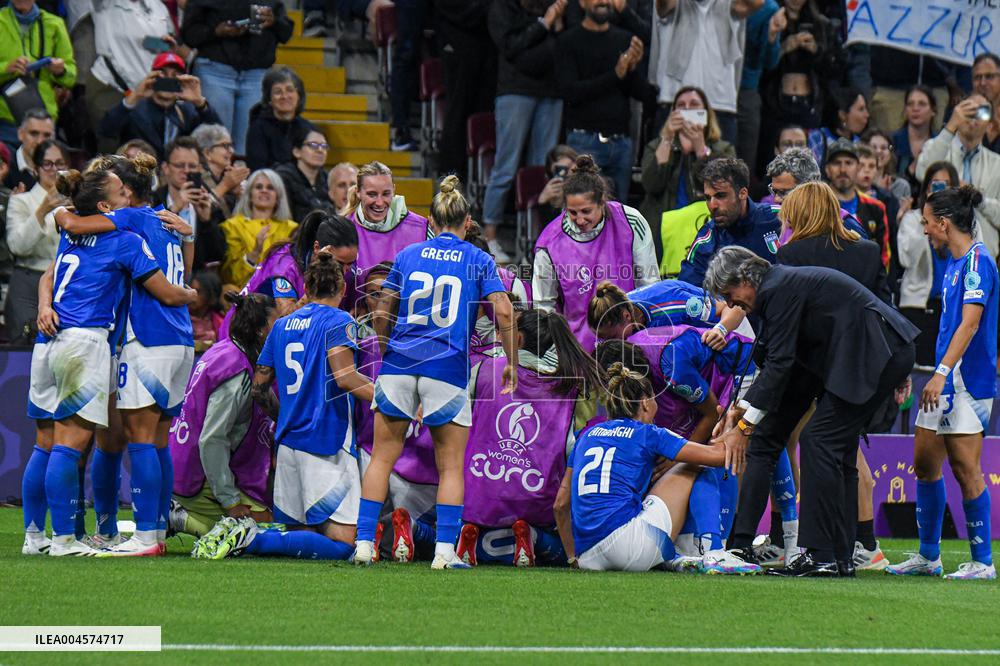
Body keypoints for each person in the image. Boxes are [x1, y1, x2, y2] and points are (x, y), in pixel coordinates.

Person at [708, 247, 917, 577]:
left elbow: (779, 363)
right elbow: (769, 355)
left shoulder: (776, 287)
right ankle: (831, 554)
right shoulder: (772, 290)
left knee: (819, 439)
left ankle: (823, 555)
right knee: (816, 442)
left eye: (733, 297)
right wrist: (739, 413)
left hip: (877, 349)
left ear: (746, 279)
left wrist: (744, 425)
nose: (734, 307)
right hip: (856, 352)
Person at [23, 168, 195, 557]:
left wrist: (44, 304)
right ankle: (102, 536)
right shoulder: (134, 233)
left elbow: (54, 253)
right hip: (109, 340)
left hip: (56, 340)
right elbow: (169, 289)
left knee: (50, 444)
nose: (122, 197)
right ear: (106, 203)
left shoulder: (82, 229)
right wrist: (190, 293)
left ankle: (42, 535)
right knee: (133, 442)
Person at [353, 175, 518, 569]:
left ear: (431, 220)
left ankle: (362, 545)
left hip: (399, 363)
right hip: (446, 366)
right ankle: (444, 552)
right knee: (450, 465)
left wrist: (383, 345)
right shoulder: (478, 259)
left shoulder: (409, 254)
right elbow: (506, 311)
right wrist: (511, 359)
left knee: (381, 458)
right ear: (467, 223)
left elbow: (381, 307)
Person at [206, 251, 375, 561]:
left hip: (287, 445)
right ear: (341, 289)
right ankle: (252, 538)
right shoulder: (339, 320)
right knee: (345, 543)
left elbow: (259, 385)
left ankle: (242, 534)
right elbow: (346, 377)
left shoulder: (281, 327)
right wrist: (387, 399)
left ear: (306, 289)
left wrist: (284, 415)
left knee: (302, 537)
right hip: (326, 441)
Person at [886, 186, 997, 581]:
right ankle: (928, 556)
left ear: (944, 224)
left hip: (967, 383)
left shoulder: (977, 263)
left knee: (966, 467)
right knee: (924, 462)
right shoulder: (953, 263)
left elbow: (970, 324)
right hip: (947, 380)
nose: (926, 230)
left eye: (927, 223)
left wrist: (940, 373)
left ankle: (982, 562)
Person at [560, 361, 757, 573]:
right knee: (698, 465)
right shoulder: (648, 433)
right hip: (629, 548)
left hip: (589, 557)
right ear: (645, 403)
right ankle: (715, 553)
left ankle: (674, 557)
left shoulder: (586, 436)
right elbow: (717, 457)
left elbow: (560, 504)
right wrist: (734, 426)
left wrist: (573, 557)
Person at [459, 308, 601, 567]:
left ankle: (444, 535)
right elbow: (574, 446)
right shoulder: (573, 386)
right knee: (564, 550)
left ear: (520, 340)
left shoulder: (485, 369)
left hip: (479, 497)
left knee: (439, 530)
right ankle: (532, 538)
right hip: (537, 503)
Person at [171, 293, 277, 543]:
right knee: (256, 529)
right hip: (194, 471)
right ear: (262, 331)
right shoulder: (235, 373)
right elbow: (212, 439)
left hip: (186, 459)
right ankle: (178, 516)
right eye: (277, 323)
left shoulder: (226, 350)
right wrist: (230, 502)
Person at [353, 262, 439, 563]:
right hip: (372, 458)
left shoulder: (427, 346)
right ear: (364, 300)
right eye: (373, 295)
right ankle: (391, 533)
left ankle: (378, 536)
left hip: (419, 466)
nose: (380, 302)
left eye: (386, 295)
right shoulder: (360, 346)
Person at [532, 154, 659, 351]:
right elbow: (543, 307)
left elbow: (650, 286)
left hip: (630, 342)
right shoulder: (549, 243)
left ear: (602, 202)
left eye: (586, 211)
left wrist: (648, 341)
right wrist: (557, 354)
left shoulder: (631, 221)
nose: (580, 219)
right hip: (579, 349)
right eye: (572, 212)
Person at [480, 0, 565, 262]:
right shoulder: (502, 7)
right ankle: (490, 236)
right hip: (515, 91)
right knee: (506, 165)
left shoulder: (554, 5)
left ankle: (538, 237)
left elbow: (563, 47)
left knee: (542, 170)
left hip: (551, 92)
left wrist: (558, 25)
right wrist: (545, 24)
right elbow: (510, 46)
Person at [557, 0, 655, 199]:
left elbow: (642, 94)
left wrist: (633, 69)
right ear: (582, 3)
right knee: (584, 212)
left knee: (619, 214)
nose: (603, 1)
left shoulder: (625, 39)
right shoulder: (568, 41)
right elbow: (571, 93)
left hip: (621, 143)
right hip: (584, 141)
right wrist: (616, 74)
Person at [218, 210, 358, 337]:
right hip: (241, 339)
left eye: (350, 264)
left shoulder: (342, 260)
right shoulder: (284, 268)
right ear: (317, 248)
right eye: (340, 264)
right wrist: (316, 285)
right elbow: (284, 321)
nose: (345, 271)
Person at [181, 0, 295, 154]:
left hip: (256, 76)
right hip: (214, 71)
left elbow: (286, 33)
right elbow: (189, 34)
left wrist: (273, 21)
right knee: (212, 144)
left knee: (249, 147)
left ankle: (242, 178)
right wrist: (216, 31)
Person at [649, 0, 764, 146]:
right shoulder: (674, 3)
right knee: (668, 167)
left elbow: (757, 3)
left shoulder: (730, 4)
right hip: (676, 104)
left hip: (719, 106)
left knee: (720, 167)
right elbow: (664, 5)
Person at [639, 86, 735, 258]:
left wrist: (700, 148)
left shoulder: (724, 148)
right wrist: (667, 138)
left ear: (706, 112)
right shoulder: (656, 146)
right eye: (681, 106)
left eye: (694, 105)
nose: (687, 110)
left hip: (702, 226)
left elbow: (722, 185)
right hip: (662, 228)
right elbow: (651, 184)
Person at [84, 0, 175, 153]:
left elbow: (160, 44)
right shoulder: (105, 4)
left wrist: (167, 47)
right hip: (110, 85)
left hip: (147, 92)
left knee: (145, 152)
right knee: (111, 150)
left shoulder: (158, 7)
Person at [915, 93, 1000, 258]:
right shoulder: (937, 147)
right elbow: (922, 173)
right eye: (968, 110)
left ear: (990, 123)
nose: (973, 117)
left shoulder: (998, 164)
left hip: (983, 259)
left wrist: (979, 199)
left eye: (981, 112)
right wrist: (951, 125)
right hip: (939, 255)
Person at [677, 157, 781, 288]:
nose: (712, 205)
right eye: (708, 198)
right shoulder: (706, 240)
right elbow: (687, 293)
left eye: (720, 196)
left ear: (742, 193)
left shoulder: (780, 218)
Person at [897, 162, 962, 367]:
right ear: (926, 189)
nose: (940, 190)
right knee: (918, 373)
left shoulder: (966, 223)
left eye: (946, 185)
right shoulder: (912, 220)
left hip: (953, 309)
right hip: (918, 306)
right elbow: (906, 260)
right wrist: (928, 221)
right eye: (935, 184)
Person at [97, 53, 222, 160]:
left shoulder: (186, 112)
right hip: (142, 173)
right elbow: (106, 130)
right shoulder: (134, 108)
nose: (168, 80)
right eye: (163, 74)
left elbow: (217, 137)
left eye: (174, 76)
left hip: (176, 175)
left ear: (182, 80)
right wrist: (135, 96)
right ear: (153, 77)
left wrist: (200, 102)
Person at [4, 139, 69, 344]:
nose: (54, 170)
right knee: (25, 351)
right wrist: (42, 210)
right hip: (28, 284)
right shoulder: (21, 201)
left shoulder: (78, 203)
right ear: (36, 168)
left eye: (60, 163)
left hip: (66, 282)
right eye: (48, 164)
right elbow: (17, 245)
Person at [342, 161, 431, 304]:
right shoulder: (343, 228)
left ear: (394, 190)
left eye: (386, 194)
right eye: (372, 194)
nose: (379, 202)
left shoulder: (422, 229)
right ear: (358, 192)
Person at [587, 279, 747, 349]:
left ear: (626, 317)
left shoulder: (674, 303)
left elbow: (735, 309)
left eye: (613, 337)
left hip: (734, 331)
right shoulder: (617, 304)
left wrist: (720, 330)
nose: (610, 343)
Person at [0, 0, 76, 145]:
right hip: (5, 119)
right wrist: (6, 68)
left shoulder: (55, 24)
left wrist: (60, 70)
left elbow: (70, 76)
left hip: (44, 119)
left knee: (45, 165)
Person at [153, 136, 227, 269]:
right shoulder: (152, 200)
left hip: (196, 282)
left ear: (199, 169)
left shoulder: (209, 205)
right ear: (165, 168)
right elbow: (148, 242)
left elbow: (218, 255)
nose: (186, 171)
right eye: (180, 165)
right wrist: (173, 209)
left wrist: (206, 221)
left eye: (192, 166)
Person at [220, 168, 296, 286]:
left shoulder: (292, 229)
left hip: (281, 292)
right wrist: (254, 253)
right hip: (243, 292)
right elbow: (231, 277)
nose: (264, 191)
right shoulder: (232, 226)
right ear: (249, 195)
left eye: (270, 188)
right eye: (258, 187)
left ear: (278, 197)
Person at [823, 138, 889, 268]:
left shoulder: (876, 208)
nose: (842, 169)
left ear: (858, 167)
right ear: (827, 169)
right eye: (836, 163)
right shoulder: (817, 207)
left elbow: (884, 256)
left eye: (848, 163)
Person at [736, 1, 783, 169]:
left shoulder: (769, 8)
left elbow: (771, 62)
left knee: (743, 160)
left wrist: (771, 35)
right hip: (713, 86)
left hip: (746, 89)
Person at [245, 66, 314, 171]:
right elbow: (258, 169)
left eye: (290, 90)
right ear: (269, 99)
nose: (284, 96)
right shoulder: (258, 128)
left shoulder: (309, 129)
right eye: (278, 92)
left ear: (299, 95)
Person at [274, 126, 335, 223]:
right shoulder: (282, 178)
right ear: (296, 151)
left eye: (324, 146)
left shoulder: (328, 179)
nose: (320, 150)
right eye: (313, 145)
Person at [191, 123, 249, 219]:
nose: (231, 151)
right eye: (225, 146)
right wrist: (225, 186)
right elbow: (200, 215)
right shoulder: (195, 178)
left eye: (231, 145)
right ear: (207, 153)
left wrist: (238, 195)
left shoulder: (226, 176)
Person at [806, 87, 869, 168]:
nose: (867, 115)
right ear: (842, 115)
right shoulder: (817, 138)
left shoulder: (859, 143)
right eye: (861, 109)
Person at [890, 84, 937, 187]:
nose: (915, 108)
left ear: (933, 110)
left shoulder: (940, 144)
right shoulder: (892, 141)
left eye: (922, 104)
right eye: (910, 104)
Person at [4, 108, 53, 191]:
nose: (39, 141)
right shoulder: (5, 167)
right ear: (20, 134)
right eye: (34, 133)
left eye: (46, 135)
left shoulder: (59, 170)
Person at [535, 144, 577, 226]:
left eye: (571, 165)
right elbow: (550, 231)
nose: (570, 172)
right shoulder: (553, 193)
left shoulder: (592, 186)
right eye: (561, 170)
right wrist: (543, 203)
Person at [189, 269, 226, 350]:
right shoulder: (179, 318)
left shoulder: (220, 324)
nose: (192, 295)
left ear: (212, 298)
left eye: (198, 292)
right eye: (190, 290)